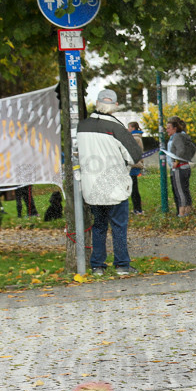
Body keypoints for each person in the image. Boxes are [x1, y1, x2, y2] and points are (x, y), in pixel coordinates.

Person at [77, 89, 143, 275]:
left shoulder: (82, 126)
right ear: (114, 106)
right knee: (118, 226)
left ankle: (97, 265)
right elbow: (134, 155)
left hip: (92, 186)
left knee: (99, 225)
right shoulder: (117, 128)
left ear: (97, 104)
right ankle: (122, 264)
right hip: (114, 185)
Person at [166, 116, 196, 217]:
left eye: (168, 128)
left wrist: (176, 161)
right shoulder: (183, 136)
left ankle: (182, 212)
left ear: (175, 128)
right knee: (185, 190)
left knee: (180, 191)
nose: (167, 130)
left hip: (179, 168)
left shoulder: (177, 137)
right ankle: (187, 211)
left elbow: (181, 150)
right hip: (185, 167)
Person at [127, 122, 144, 215]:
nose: (128, 129)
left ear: (133, 128)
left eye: (129, 127)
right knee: (134, 188)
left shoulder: (134, 138)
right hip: (136, 164)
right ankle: (137, 208)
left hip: (133, 165)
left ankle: (137, 209)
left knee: (134, 189)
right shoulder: (137, 137)